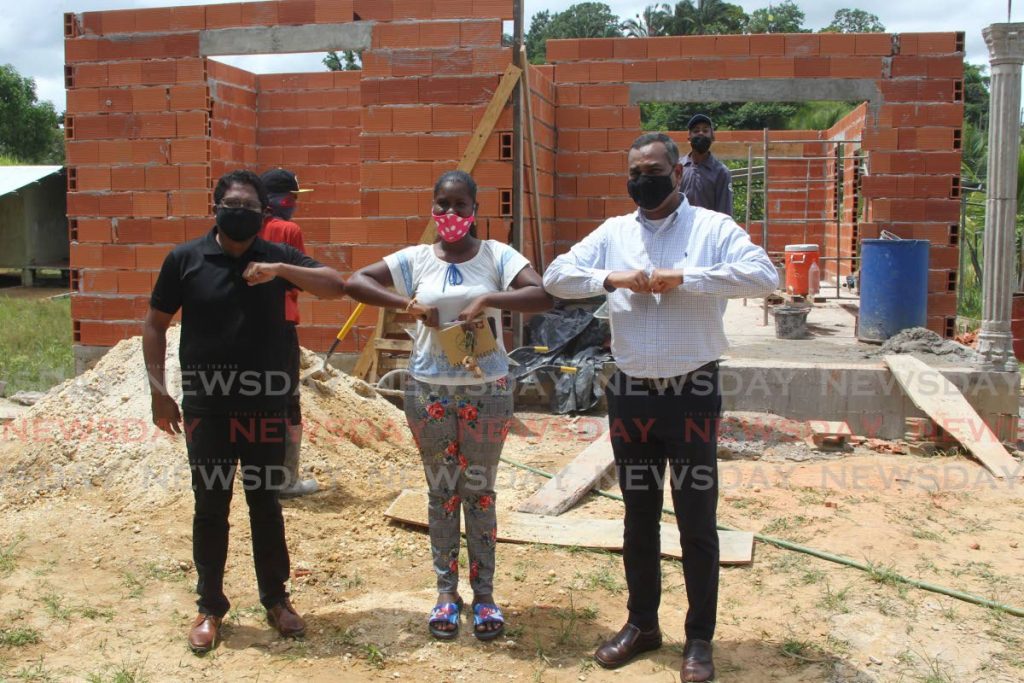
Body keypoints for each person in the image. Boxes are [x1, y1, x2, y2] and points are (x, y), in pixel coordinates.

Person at [542, 133, 777, 682]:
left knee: (696, 518)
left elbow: (766, 275)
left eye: (651, 169)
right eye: (633, 170)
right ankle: (643, 625)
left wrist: (687, 278)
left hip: (691, 391)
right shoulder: (615, 233)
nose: (641, 179)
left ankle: (699, 640)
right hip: (630, 392)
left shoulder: (712, 229)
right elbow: (555, 275)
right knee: (638, 515)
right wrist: (610, 277)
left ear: (676, 175)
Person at [143, 169, 347, 654]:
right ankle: (210, 606)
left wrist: (281, 272)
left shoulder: (275, 256)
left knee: (265, 505)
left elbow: (335, 285)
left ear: (263, 213)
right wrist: (158, 391)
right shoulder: (185, 260)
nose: (242, 213)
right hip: (207, 409)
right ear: (215, 208)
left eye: (252, 207)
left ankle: (276, 600)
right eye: (233, 204)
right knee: (210, 507)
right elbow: (154, 325)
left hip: (266, 407)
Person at [344, 170, 552, 641]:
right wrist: (406, 305)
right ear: (432, 208)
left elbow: (541, 294)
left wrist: (489, 298)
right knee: (442, 492)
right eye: (442, 205)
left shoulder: (497, 255)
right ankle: (445, 593)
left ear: (475, 210)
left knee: (479, 490)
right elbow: (355, 282)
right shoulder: (415, 259)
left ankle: (484, 598)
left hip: (487, 390)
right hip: (429, 391)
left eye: (460, 206)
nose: (451, 215)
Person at [259, 167, 317, 498]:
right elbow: (301, 279)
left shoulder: (244, 228)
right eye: (291, 197)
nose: (294, 203)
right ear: (276, 200)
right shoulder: (288, 230)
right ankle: (284, 479)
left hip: (245, 325)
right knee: (286, 398)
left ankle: (254, 471)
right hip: (280, 324)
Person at [680, 114, 733, 216]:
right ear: (689, 137)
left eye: (705, 131)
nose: (700, 133)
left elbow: (724, 211)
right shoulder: (678, 168)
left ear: (712, 137)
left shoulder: (721, 172)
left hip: (708, 230)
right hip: (681, 230)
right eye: (696, 131)